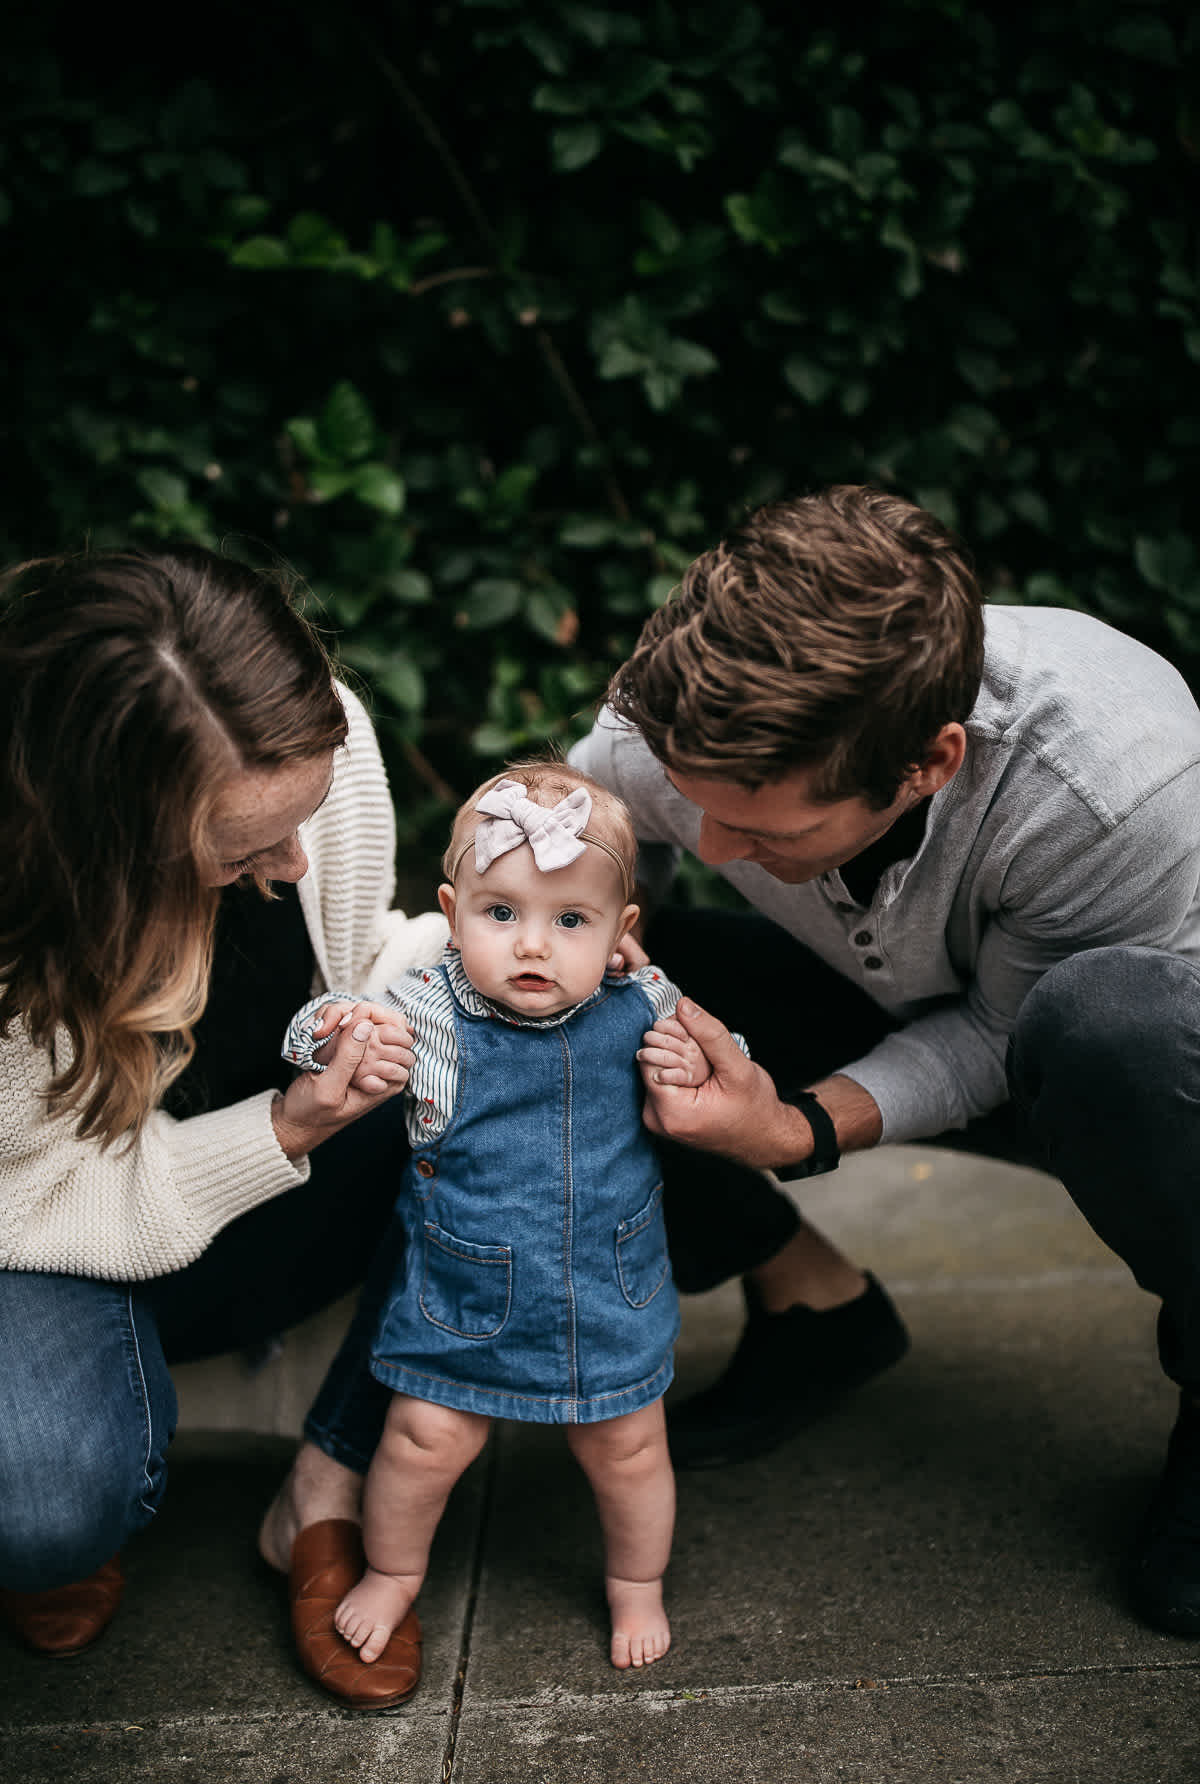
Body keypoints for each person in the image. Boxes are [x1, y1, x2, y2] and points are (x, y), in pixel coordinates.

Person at [569, 483, 1200, 1639]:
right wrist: (597, 953)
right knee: (550, 992)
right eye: (695, 807)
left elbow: (1009, 1039)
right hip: (881, 990)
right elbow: (581, 836)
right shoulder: (674, 713)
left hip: (1134, 1065)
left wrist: (796, 1127)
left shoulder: (1113, 785)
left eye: (764, 831)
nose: (711, 846)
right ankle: (814, 1306)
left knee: (1108, 1022)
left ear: (928, 762)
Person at [0, 544, 448, 1711]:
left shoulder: (310, 742)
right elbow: (23, 1196)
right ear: (103, 843)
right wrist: (281, 1134)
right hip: (43, 1231)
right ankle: (88, 1471)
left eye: (299, 819)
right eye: (243, 849)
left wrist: (492, 954)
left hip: (268, 1185)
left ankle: (329, 1482)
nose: (292, 860)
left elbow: (357, 959)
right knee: (40, 1505)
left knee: (547, 1036)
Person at [281, 762, 720, 1671]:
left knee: (630, 1447)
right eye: (501, 913)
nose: (532, 946)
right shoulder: (429, 1012)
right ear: (453, 912)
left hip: (608, 1289)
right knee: (419, 1439)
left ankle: (635, 1585)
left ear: (620, 930)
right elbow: (317, 1025)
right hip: (465, 1289)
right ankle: (395, 1572)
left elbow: (726, 1059)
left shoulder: (646, 1003)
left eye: (570, 922)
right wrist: (336, 1036)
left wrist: (695, 1069)